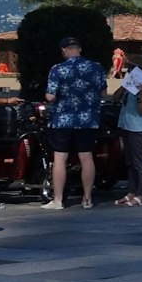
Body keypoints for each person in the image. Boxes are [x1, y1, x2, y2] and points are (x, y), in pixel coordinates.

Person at [43, 36, 106, 210]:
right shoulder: (96, 67)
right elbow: (104, 92)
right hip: (87, 120)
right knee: (86, 157)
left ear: (64, 51)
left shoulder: (57, 69)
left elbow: (50, 96)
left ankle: (58, 200)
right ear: (79, 49)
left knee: (60, 158)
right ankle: (87, 199)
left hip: (63, 119)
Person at [114, 70, 142, 207]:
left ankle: (141, 195)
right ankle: (131, 191)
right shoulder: (129, 87)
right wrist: (123, 86)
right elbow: (115, 98)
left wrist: (141, 93)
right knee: (130, 162)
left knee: (140, 163)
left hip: (139, 128)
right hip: (127, 126)